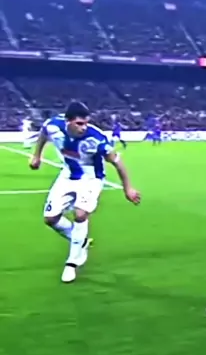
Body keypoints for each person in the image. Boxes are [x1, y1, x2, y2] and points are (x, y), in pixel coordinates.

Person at [30, 101, 141, 283]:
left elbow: (117, 162)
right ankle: (80, 240)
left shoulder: (96, 138)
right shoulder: (54, 126)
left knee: (80, 214)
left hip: (91, 177)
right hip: (68, 174)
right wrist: (37, 156)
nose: (83, 128)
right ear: (68, 121)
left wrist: (127, 188)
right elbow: (43, 133)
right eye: (79, 124)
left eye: (86, 123)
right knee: (50, 219)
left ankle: (72, 263)